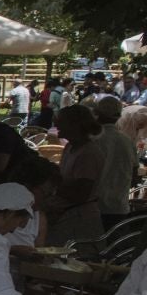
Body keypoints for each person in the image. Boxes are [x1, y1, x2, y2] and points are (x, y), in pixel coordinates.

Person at [47, 104, 106, 246]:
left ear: (75, 124)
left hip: (79, 220)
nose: (56, 124)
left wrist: (50, 185)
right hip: (66, 216)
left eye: (61, 121)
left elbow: (81, 193)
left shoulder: (88, 153)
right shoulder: (70, 147)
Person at [90, 95, 136, 229]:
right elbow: (134, 175)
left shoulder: (92, 140)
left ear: (97, 114)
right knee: (115, 246)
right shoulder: (127, 140)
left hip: (93, 206)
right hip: (118, 206)